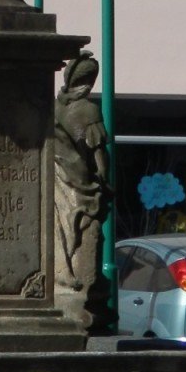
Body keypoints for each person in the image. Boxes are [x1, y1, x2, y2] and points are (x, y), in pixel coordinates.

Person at [54, 51, 111, 320]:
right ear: (89, 82)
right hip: (83, 185)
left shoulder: (57, 107)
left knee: (64, 231)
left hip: (60, 181)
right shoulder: (87, 110)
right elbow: (99, 152)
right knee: (90, 230)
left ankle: (66, 278)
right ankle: (88, 290)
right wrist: (105, 179)